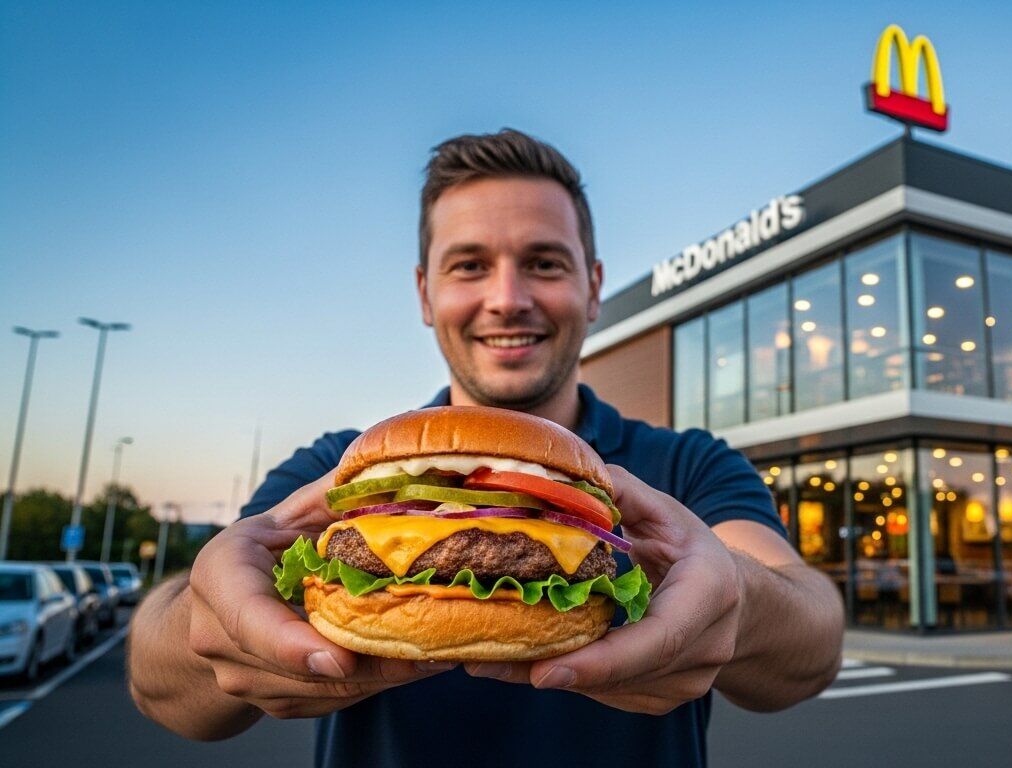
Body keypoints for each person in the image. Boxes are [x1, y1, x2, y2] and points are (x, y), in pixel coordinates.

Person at [127, 129, 845, 767]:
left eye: (544, 263)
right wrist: (207, 623)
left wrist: (738, 599)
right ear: (424, 292)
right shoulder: (338, 466)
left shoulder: (687, 466)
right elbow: (159, 685)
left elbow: (813, 643)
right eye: (469, 265)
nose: (507, 298)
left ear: (593, 288)